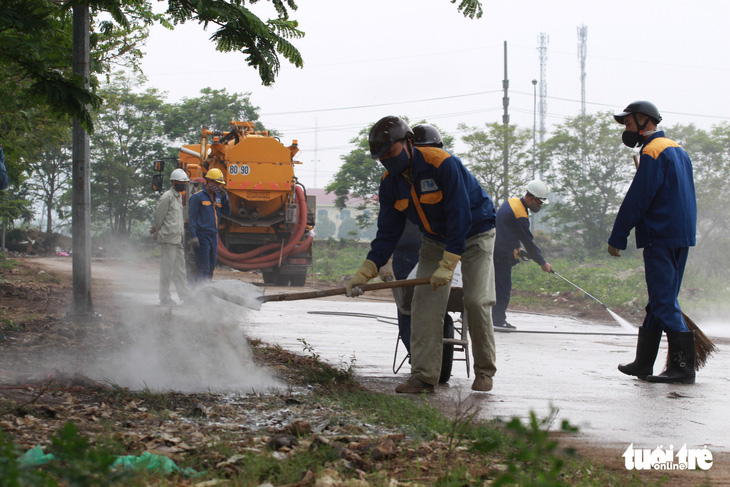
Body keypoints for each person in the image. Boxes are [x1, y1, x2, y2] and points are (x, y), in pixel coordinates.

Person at [347, 115, 498, 394]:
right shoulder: (390, 182)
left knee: (476, 301)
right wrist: (367, 270)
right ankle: (424, 376)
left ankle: (485, 371)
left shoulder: (442, 163)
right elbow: (387, 232)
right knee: (424, 304)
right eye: (381, 158)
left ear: (408, 143)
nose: (387, 161)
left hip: (477, 232)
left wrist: (449, 263)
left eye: (390, 153)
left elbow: (460, 215)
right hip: (434, 240)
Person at [608, 100, 697, 384]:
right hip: (680, 234)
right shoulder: (677, 149)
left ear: (645, 120)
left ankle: (683, 367)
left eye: (629, 123)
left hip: (660, 235)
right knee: (660, 301)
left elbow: (639, 197)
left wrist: (618, 236)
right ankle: (644, 362)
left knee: (662, 300)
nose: (627, 128)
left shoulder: (653, 150)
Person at [378, 124, 454, 383]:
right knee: (409, 309)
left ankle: (428, 361)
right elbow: (388, 228)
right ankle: (419, 360)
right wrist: (384, 261)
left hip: (439, 250)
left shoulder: (442, 174)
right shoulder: (398, 181)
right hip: (407, 253)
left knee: (426, 309)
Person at [491, 180, 553, 331]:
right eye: (539, 202)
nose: (539, 206)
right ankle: (498, 321)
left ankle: (480, 316)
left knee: (491, 286)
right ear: (531, 198)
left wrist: (518, 247)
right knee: (503, 289)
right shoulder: (520, 215)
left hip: (494, 250)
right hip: (502, 254)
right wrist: (543, 263)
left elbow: (510, 229)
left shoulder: (512, 202)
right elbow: (529, 242)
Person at [151, 168, 190, 305]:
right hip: (168, 239)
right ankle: (164, 296)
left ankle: (185, 297)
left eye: (184, 182)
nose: (183, 184)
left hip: (178, 239)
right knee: (167, 270)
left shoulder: (178, 197)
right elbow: (159, 215)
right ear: (173, 182)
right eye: (181, 182)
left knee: (180, 270)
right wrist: (158, 230)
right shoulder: (167, 197)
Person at [187, 168, 231, 280]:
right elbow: (192, 218)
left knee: (212, 265)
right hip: (202, 236)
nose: (218, 186)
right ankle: (201, 292)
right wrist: (193, 236)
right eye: (216, 183)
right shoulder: (197, 197)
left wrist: (225, 198)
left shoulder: (218, 197)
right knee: (204, 266)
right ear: (209, 181)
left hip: (213, 236)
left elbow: (227, 212)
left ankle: (205, 288)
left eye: (219, 184)